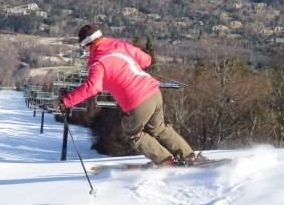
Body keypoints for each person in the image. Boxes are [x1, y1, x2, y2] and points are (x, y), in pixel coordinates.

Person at [61, 24, 206, 168]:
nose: (84, 50)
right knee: (159, 128)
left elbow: (93, 87)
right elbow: (146, 60)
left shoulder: (97, 62)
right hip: (154, 93)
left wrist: (65, 101)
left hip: (137, 101)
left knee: (133, 132)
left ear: (87, 43)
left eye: (83, 46)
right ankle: (189, 156)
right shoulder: (120, 45)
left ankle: (166, 161)